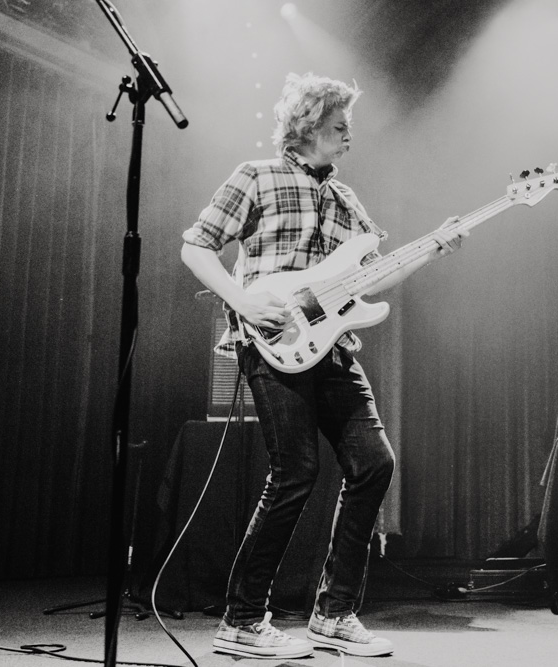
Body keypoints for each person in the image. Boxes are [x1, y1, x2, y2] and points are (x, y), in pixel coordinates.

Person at [180, 72, 466, 660]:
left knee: (373, 464)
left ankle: (334, 614)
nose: (348, 137)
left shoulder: (347, 200)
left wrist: (432, 246)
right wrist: (241, 299)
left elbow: (372, 278)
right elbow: (196, 245)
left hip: (332, 347)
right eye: (340, 126)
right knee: (295, 474)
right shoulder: (255, 175)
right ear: (309, 125)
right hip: (272, 342)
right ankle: (240, 621)